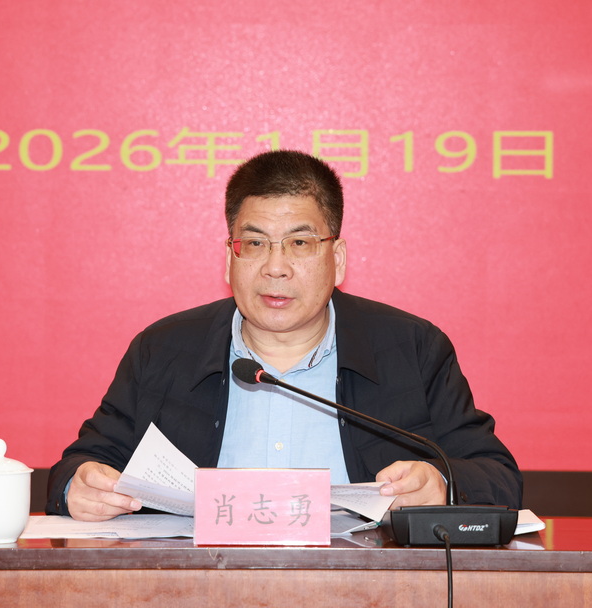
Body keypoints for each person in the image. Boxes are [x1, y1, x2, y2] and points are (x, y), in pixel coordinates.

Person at [46, 150, 522, 521]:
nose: (275, 267)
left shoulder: (411, 349)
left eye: (300, 243)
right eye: (254, 243)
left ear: (337, 259)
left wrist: (442, 483)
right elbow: (81, 465)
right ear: (229, 258)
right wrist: (78, 486)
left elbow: (498, 477)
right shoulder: (164, 349)